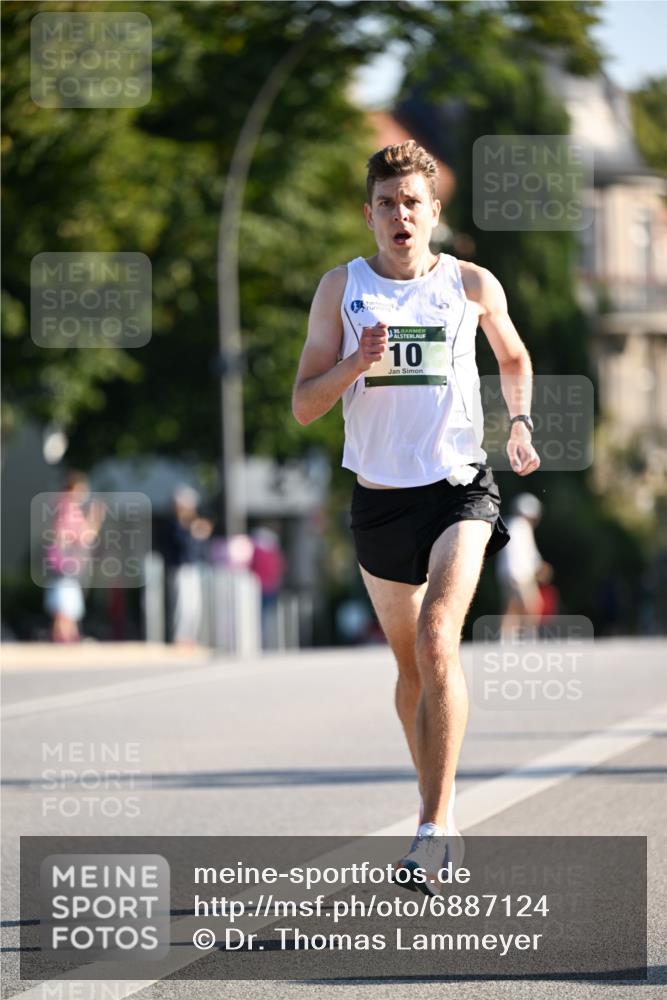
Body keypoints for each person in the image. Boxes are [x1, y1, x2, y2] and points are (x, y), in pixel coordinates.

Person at [292, 140, 540, 895]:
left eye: (412, 203)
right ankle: (441, 803)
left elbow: (514, 357)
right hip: (378, 499)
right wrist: (352, 364)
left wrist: (520, 423)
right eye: (386, 204)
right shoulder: (341, 287)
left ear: (433, 211)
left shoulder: (468, 282)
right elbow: (304, 405)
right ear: (367, 214)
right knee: (409, 669)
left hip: (457, 485)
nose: (400, 216)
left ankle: (433, 828)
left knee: (439, 638)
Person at [44, 471, 106, 642]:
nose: (83, 493)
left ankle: (68, 635)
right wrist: (96, 519)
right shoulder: (67, 508)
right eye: (81, 489)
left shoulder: (62, 505)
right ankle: (64, 636)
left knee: (66, 600)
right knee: (65, 601)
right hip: (66, 561)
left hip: (65, 561)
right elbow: (84, 536)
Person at [163, 486, 212, 646]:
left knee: (193, 606)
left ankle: (190, 636)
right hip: (180, 568)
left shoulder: (192, 523)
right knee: (181, 605)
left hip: (193, 568)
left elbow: (200, 548)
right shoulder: (174, 525)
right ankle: (180, 637)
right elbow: (181, 545)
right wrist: (192, 531)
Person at [497, 493, 552, 633]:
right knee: (531, 605)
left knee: (513, 606)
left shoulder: (513, 525)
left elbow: (527, 553)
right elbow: (519, 554)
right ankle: (528, 635)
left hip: (513, 574)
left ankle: (508, 637)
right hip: (519, 575)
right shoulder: (519, 526)